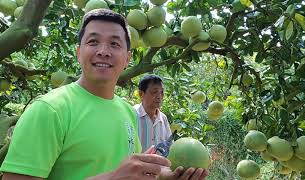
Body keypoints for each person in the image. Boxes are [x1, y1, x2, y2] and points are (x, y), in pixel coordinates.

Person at [0, 9, 208, 180]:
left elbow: (129, 174)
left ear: (127, 58)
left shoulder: (126, 111)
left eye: (115, 44)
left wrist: (166, 175)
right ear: (78, 52)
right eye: (93, 42)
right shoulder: (49, 109)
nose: (103, 51)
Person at [134, 74, 172, 152]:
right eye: (154, 92)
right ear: (141, 94)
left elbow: (169, 146)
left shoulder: (163, 118)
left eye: (162, 92)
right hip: (137, 164)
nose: (159, 96)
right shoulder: (132, 115)